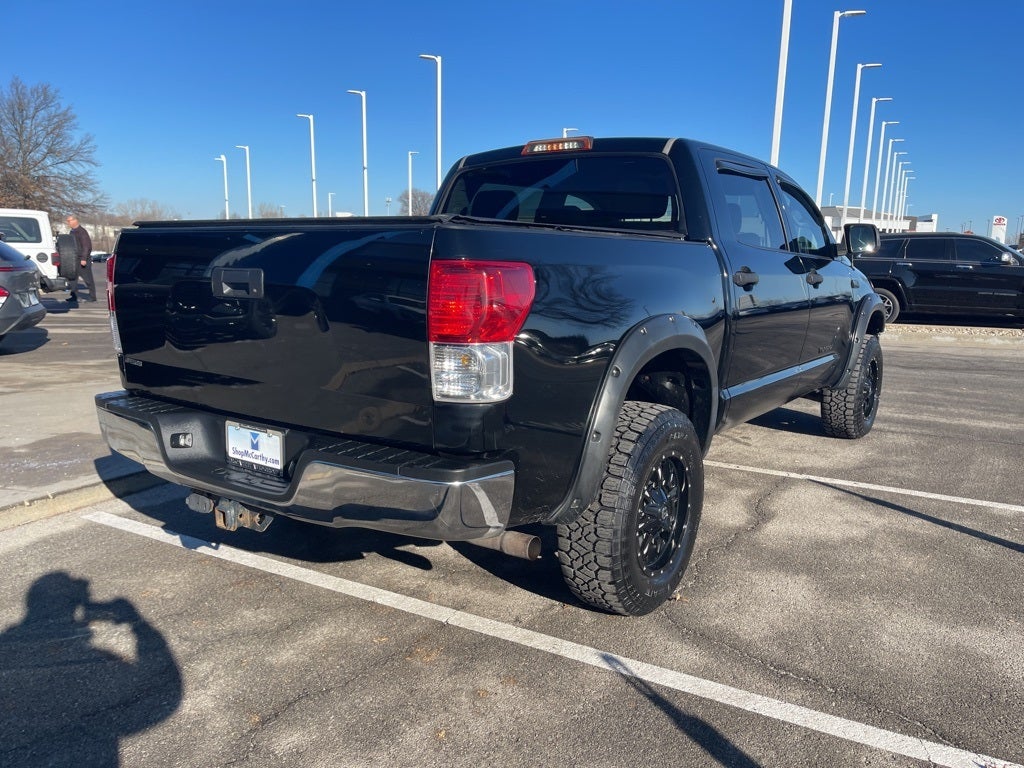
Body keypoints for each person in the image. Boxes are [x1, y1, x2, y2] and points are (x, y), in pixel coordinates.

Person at [66, 214, 96, 302]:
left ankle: (92, 297)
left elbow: (86, 246)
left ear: (75, 220)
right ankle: (74, 295)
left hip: (82, 259)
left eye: (69, 221)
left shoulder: (81, 232)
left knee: (88, 279)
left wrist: (84, 258)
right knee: (73, 279)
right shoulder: (72, 232)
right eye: (67, 221)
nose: (68, 223)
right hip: (74, 259)